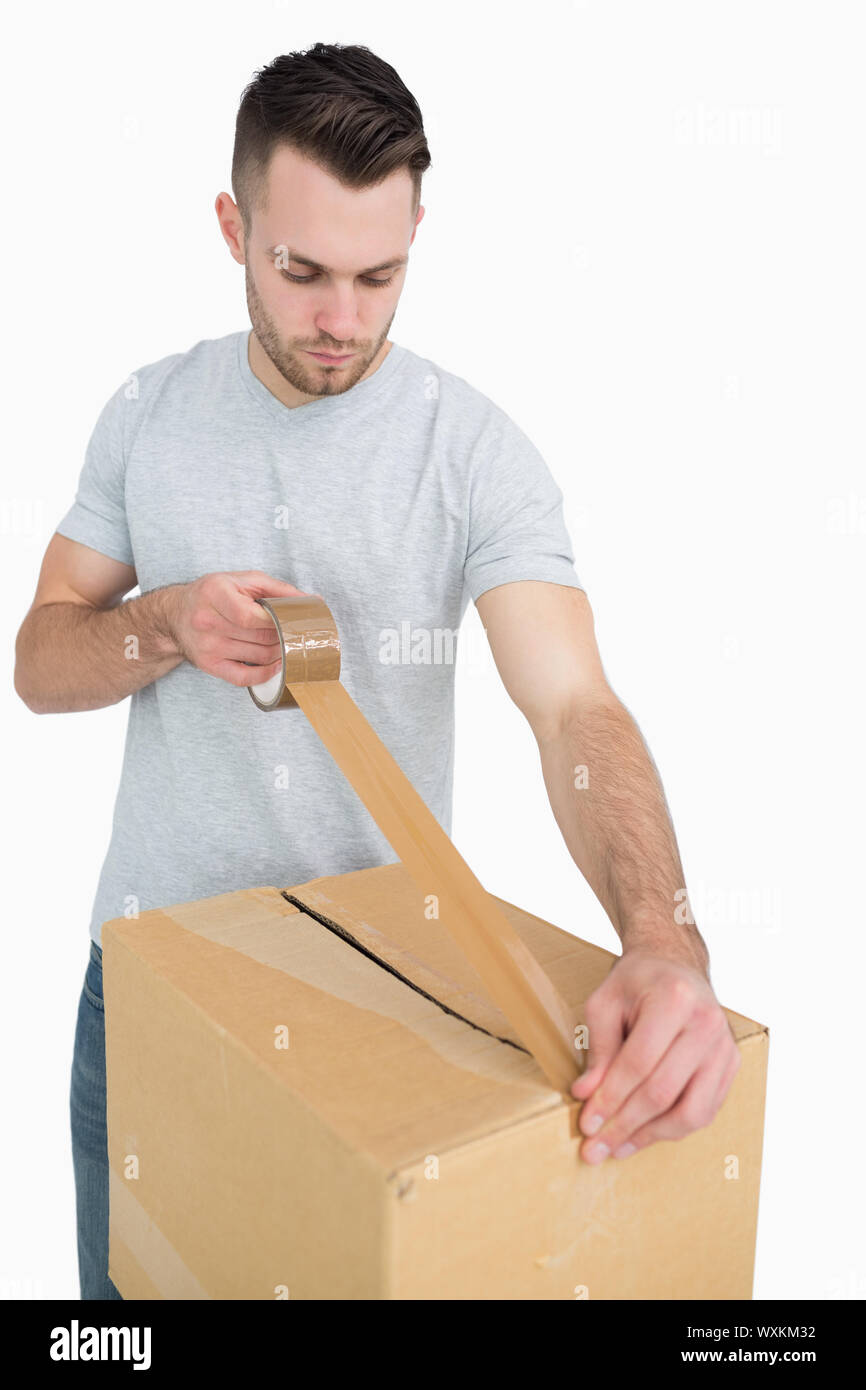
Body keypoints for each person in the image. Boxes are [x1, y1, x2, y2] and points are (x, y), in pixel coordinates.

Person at [14, 42, 739, 1302]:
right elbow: (38, 657)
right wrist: (164, 623)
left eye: (378, 274)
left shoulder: (473, 454)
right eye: (299, 272)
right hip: (140, 995)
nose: (340, 321)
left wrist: (662, 934)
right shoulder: (147, 411)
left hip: (372, 1014)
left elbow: (572, 704)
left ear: (416, 234)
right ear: (234, 227)